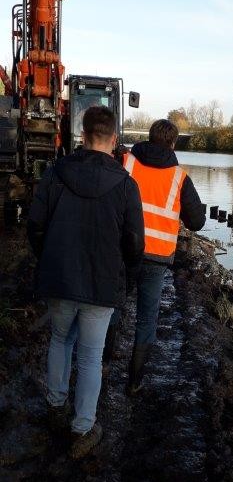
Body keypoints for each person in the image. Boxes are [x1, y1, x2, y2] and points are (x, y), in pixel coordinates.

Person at [27, 106, 144, 458]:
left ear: (82, 136)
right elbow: (135, 242)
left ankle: (56, 404)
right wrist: (128, 278)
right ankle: (82, 428)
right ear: (114, 140)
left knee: (60, 340)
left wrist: (46, 258)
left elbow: (35, 225)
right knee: (91, 357)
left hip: (60, 278)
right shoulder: (126, 185)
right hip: (102, 284)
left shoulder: (55, 173)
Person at [122, 118, 205, 394]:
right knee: (147, 318)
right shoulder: (179, 177)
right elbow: (196, 222)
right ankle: (134, 381)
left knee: (111, 304)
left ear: (148, 137)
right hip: (156, 258)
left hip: (123, 250)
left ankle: (102, 362)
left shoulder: (127, 162)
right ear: (173, 143)